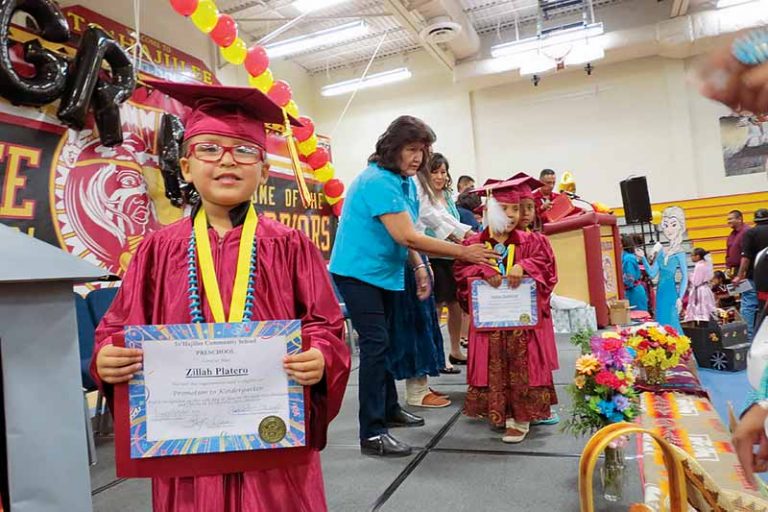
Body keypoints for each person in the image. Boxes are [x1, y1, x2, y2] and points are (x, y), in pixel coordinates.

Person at [91, 79, 351, 511]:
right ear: (187, 166)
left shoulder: (290, 245)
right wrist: (107, 355)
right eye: (210, 148)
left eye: (244, 150)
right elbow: (119, 326)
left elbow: (326, 323)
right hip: (188, 436)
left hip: (271, 432)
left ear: (264, 171)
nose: (227, 161)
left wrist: (320, 354)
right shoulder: (157, 249)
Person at [329, 116, 496, 457]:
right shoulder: (378, 181)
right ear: (392, 148)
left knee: (387, 343)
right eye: (411, 149)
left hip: (383, 271)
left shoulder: (403, 181)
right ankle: (372, 433)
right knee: (375, 346)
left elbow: (413, 229)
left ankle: (389, 409)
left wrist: (419, 266)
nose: (418, 157)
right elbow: (406, 234)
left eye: (422, 150)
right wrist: (464, 251)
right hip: (357, 272)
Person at [455, 181, 558, 444]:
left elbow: (548, 270)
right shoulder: (475, 244)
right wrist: (481, 270)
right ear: (490, 210)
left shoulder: (533, 241)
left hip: (521, 323)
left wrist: (525, 265)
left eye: (516, 209)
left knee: (522, 364)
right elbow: (460, 274)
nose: (512, 215)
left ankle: (520, 419)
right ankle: (501, 413)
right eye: (505, 209)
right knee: (495, 365)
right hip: (490, 321)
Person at [415, 153, 473, 368]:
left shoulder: (447, 197)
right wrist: (463, 240)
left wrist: (467, 237)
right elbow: (432, 222)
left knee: (456, 304)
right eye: (435, 171)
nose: (440, 176)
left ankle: (455, 350)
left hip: (453, 255)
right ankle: (437, 356)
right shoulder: (420, 192)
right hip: (433, 256)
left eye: (443, 172)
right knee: (437, 307)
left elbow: (448, 220)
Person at [642, 207, 689, 332]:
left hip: (672, 293)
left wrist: (680, 296)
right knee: (661, 323)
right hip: (660, 293)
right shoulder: (662, 251)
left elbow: (685, 275)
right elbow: (652, 273)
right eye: (666, 225)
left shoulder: (680, 252)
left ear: (680, 226)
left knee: (673, 323)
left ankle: (681, 348)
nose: (669, 229)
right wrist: (643, 258)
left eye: (673, 225)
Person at [734, 209, 768, 341]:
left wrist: (740, 275)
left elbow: (746, 257)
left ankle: (749, 338)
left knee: (749, 305)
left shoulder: (751, 233)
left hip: (756, 277)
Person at [684, 248, 717, 323]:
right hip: (706, 288)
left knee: (701, 308)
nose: (691, 257)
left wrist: (689, 276)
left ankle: (702, 323)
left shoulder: (699, 266)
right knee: (707, 307)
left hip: (700, 290)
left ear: (698, 256)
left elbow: (696, 282)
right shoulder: (706, 264)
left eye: (692, 255)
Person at [621, 235, 649, 313]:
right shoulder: (628, 257)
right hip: (635, 290)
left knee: (638, 316)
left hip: (633, 292)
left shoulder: (628, 259)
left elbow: (629, 278)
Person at [727, 210, 749, 279]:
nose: (728, 222)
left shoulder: (747, 232)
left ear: (739, 219)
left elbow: (747, 255)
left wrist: (741, 274)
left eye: (730, 219)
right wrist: (728, 267)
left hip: (744, 271)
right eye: (728, 219)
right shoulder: (732, 234)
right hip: (735, 270)